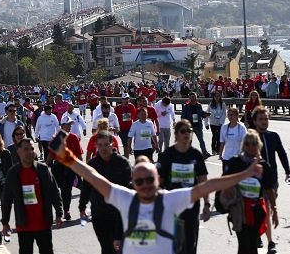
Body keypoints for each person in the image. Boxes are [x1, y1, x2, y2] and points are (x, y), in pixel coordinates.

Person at [53, 132, 263, 254]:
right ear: (133, 183)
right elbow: (92, 176)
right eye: (139, 181)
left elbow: (208, 186)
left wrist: (245, 173)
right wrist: (66, 157)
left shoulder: (170, 200)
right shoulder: (125, 199)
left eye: (149, 180)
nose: (145, 185)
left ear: (158, 180)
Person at [1, 138, 63, 254]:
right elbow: (7, 200)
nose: (29, 152)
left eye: (32, 149)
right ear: (18, 151)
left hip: (43, 224)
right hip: (24, 226)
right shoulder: (13, 173)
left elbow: (54, 192)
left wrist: (59, 213)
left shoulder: (43, 170)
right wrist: (5, 222)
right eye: (26, 149)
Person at [157, 120, 210, 254]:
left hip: (191, 204)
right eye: (183, 131)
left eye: (189, 131)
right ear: (176, 134)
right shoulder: (168, 155)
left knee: (190, 242)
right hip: (172, 205)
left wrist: (207, 204)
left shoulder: (196, 155)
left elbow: (203, 180)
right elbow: (159, 182)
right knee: (175, 244)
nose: (187, 134)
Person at [221, 130, 277, 254]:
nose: (250, 147)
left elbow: (269, 188)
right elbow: (224, 181)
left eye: (253, 143)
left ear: (259, 145)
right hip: (239, 209)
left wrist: (274, 209)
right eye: (247, 144)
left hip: (256, 210)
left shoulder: (264, 166)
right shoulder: (235, 162)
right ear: (243, 145)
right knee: (244, 243)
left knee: (252, 244)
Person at [79, 131, 131, 254]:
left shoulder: (122, 163)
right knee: (107, 247)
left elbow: (130, 189)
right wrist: (82, 207)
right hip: (100, 214)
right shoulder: (92, 165)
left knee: (119, 248)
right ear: (96, 145)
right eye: (100, 145)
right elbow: (86, 187)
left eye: (106, 144)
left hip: (119, 214)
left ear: (112, 144)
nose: (103, 148)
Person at [252, 106, 290, 254]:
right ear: (255, 121)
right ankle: (264, 238)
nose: (264, 122)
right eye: (261, 119)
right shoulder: (251, 137)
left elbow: (282, 154)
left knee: (267, 209)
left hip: (272, 180)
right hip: (255, 180)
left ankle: (269, 242)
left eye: (266, 119)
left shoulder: (273, 136)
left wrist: (288, 172)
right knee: (260, 210)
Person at [48, 118, 83, 220]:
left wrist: (80, 168)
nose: (70, 126)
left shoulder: (74, 137)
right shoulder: (57, 137)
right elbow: (51, 154)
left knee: (68, 189)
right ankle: (58, 210)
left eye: (70, 124)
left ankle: (66, 210)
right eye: (68, 124)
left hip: (71, 167)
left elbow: (79, 154)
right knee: (60, 189)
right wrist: (45, 166)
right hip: (58, 168)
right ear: (62, 126)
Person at [181, 92, 211, 157]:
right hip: (189, 127)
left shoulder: (199, 105)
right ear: (189, 98)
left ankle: (204, 153)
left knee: (201, 140)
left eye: (194, 97)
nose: (193, 98)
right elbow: (183, 116)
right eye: (192, 97)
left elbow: (201, 113)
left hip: (198, 126)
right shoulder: (187, 106)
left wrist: (206, 114)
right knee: (189, 141)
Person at [207, 90, 227, 154]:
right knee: (214, 136)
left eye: (218, 96)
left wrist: (221, 122)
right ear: (214, 97)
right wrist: (206, 123)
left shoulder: (223, 104)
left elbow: (224, 114)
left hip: (220, 123)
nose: (217, 97)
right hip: (212, 123)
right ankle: (213, 149)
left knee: (219, 136)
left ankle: (218, 149)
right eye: (215, 96)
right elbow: (207, 113)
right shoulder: (211, 104)